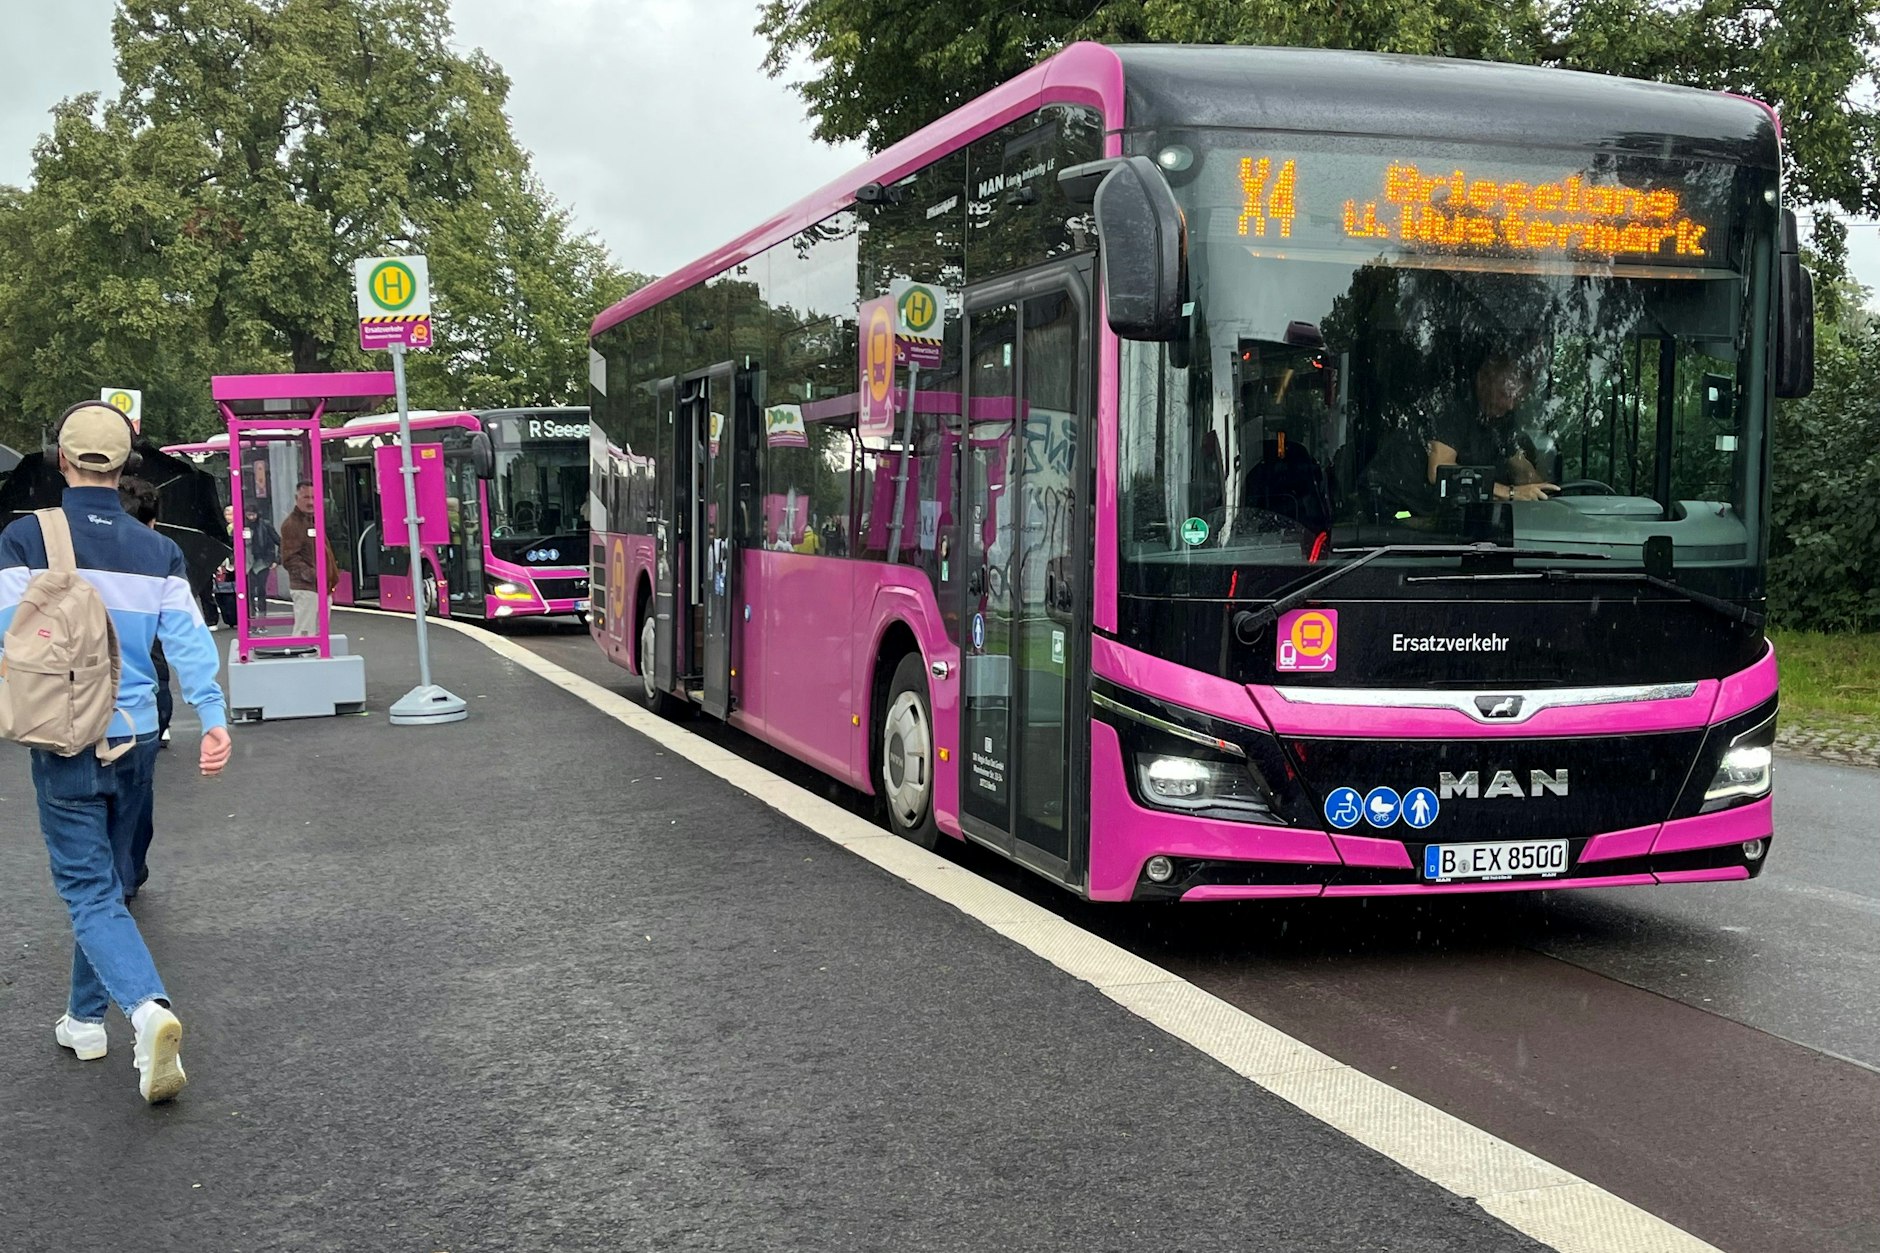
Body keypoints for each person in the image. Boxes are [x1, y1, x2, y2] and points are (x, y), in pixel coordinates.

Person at [0, 402, 231, 1104]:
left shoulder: (22, 538)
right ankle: (83, 1019)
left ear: (61, 461)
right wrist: (214, 718)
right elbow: (189, 640)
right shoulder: (156, 550)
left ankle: (146, 1007)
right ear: (125, 465)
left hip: (67, 737)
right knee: (109, 883)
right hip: (136, 739)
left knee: (87, 888)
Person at [1426, 345, 1559, 503]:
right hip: (1405, 515)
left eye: (1516, 399)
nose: (1510, 405)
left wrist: (1546, 492)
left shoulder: (1499, 419)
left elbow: (1520, 468)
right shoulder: (1453, 409)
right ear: (1482, 380)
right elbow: (1439, 471)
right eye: (1504, 394)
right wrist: (1510, 493)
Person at [277, 480, 336, 638]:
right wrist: (316, 576)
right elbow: (289, 559)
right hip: (308, 588)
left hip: (319, 588)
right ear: (297, 499)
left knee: (317, 635)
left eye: (314, 497)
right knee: (305, 635)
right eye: (306, 497)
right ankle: (302, 660)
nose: (310, 501)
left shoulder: (312, 520)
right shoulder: (292, 524)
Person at [212, 505, 239, 630]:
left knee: (232, 592)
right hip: (223, 563)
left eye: (231, 514)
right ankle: (229, 618)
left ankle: (235, 617)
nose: (228, 517)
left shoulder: (239, 529)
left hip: (235, 563)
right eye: (226, 514)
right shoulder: (221, 529)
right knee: (222, 591)